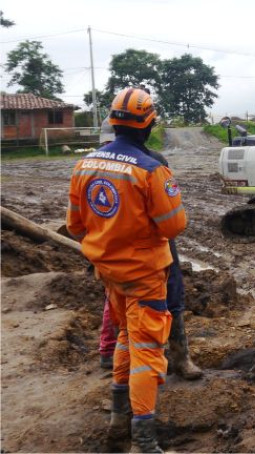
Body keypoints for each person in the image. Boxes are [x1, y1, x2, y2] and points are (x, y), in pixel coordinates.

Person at [68, 87, 186, 453]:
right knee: (148, 351)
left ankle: (118, 418)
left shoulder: (84, 165)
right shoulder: (151, 170)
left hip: (108, 272)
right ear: (148, 125)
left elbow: (75, 226)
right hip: (145, 275)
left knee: (124, 338)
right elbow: (173, 227)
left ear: (113, 123)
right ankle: (145, 440)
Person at [95, 116, 204, 381]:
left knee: (171, 295)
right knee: (126, 307)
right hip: (127, 248)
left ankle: (178, 357)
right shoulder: (102, 164)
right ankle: (131, 361)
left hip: (152, 245)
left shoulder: (154, 162)